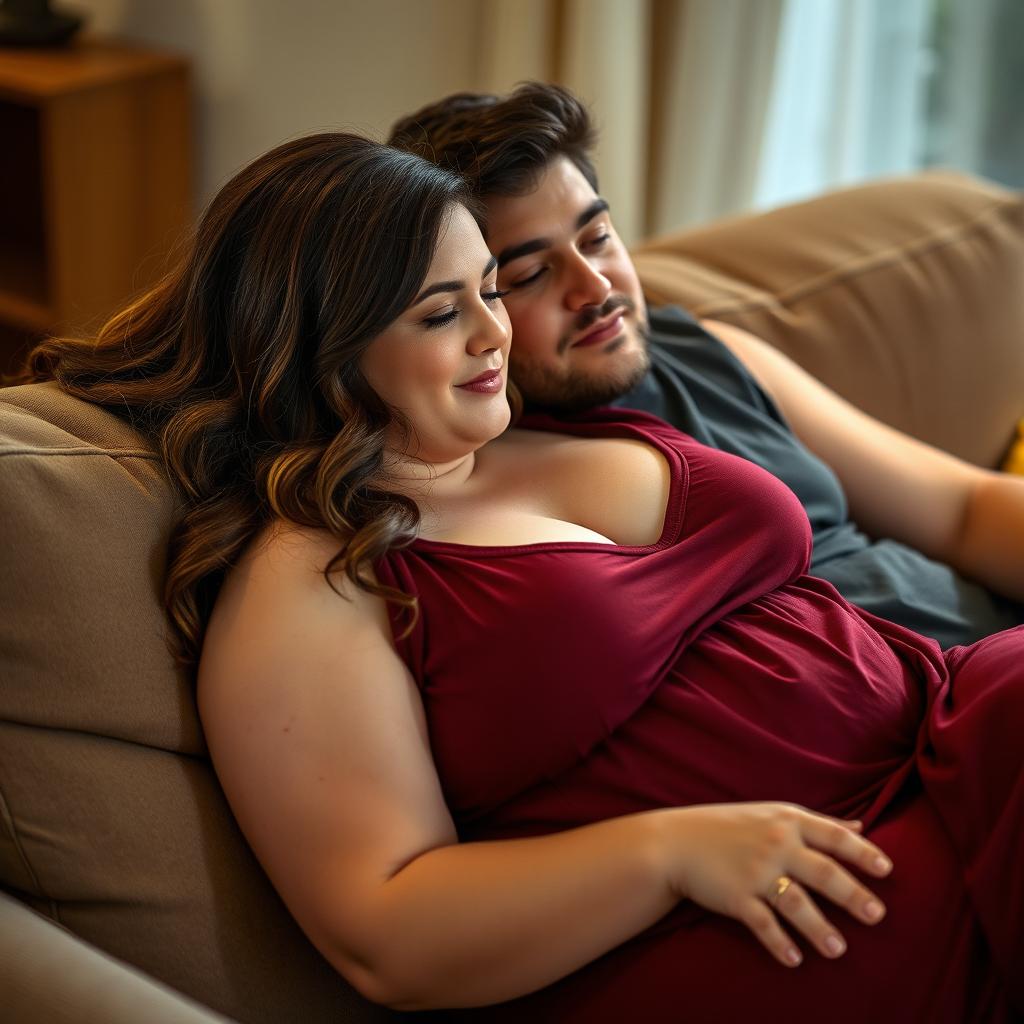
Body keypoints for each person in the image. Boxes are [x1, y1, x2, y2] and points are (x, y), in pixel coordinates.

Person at [25, 132, 1022, 1022]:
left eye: (491, 291)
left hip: (949, 730)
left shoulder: (557, 417)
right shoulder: (312, 580)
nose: (494, 334)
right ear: (322, 346)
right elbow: (385, 931)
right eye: (439, 313)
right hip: (800, 900)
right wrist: (670, 853)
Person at [387, 83, 1024, 650]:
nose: (594, 286)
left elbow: (963, 510)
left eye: (598, 238)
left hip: (990, 634)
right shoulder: (488, 486)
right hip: (922, 702)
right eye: (530, 274)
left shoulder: (710, 348)